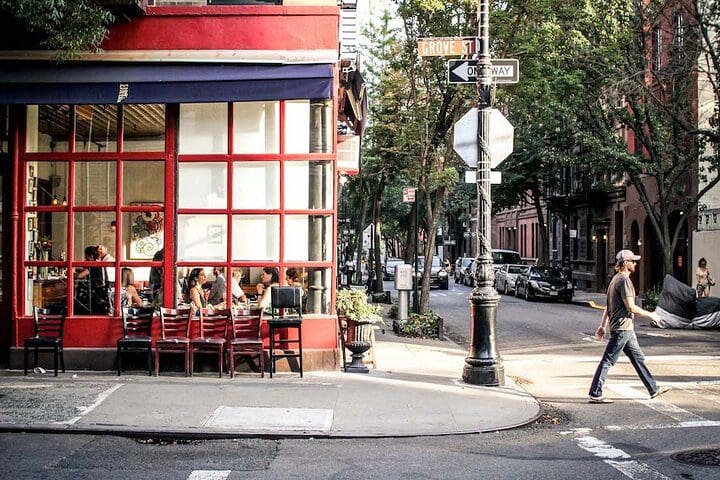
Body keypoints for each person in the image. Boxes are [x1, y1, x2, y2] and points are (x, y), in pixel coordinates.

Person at [588, 250, 671, 404]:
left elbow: (608, 306)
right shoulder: (624, 281)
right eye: (632, 261)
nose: (635, 263)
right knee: (608, 360)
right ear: (625, 263)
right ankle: (595, 392)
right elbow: (631, 307)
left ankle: (653, 388)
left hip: (625, 328)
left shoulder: (614, 280)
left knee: (638, 358)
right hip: (622, 328)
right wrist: (651, 315)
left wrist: (602, 326)